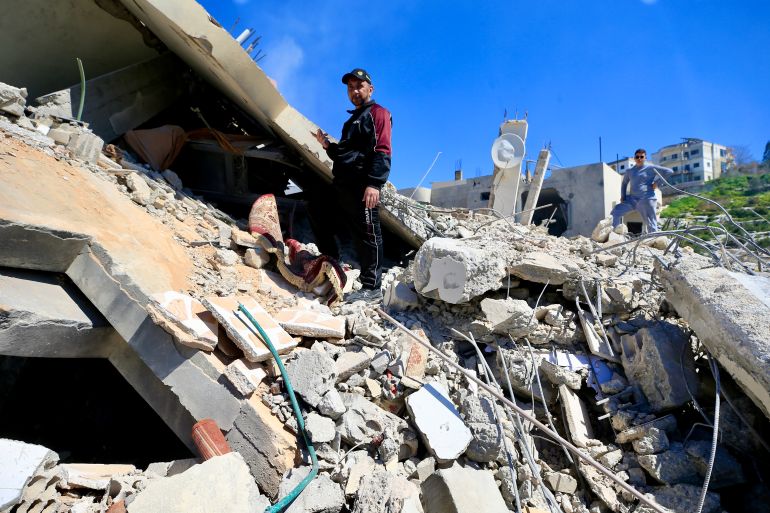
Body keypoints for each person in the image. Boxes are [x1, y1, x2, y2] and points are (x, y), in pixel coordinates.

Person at [309, 68, 393, 303]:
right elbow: (346, 154)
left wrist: (374, 184)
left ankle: (372, 287)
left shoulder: (378, 113)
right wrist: (327, 145)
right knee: (317, 209)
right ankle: (333, 262)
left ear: (370, 89)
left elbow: (382, 149)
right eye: (350, 87)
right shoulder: (352, 121)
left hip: (363, 186)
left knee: (368, 234)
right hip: (342, 186)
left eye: (359, 86)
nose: (354, 91)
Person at [611, 148, 673, 233]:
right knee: (616, 211)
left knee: (651, 223)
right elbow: (624, 183)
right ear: (634, 158)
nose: (639, 159)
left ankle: (654, 240)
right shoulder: (630, 171)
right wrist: (623, 196)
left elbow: (669, 171)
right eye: (637, 157)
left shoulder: (651, 168)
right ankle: (614, 233)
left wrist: (657, 183)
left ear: (645, 158)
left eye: (641, 157)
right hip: (632, 199)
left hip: (646, 199)